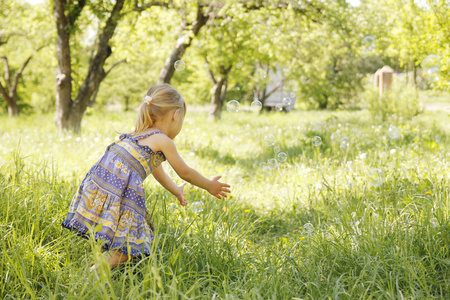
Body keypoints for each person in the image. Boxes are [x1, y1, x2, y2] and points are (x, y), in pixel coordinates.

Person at [62, 84, 231, 271]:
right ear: (175, 115)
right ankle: (95, 272)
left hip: (100, 183)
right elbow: (185, 172)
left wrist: (175, 189)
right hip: (119, 189)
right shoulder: (163, 140)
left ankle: (105, 256)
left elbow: (155, 169)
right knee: (129, 246)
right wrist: (209, 185)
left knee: (121, 236)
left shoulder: (138, 134)